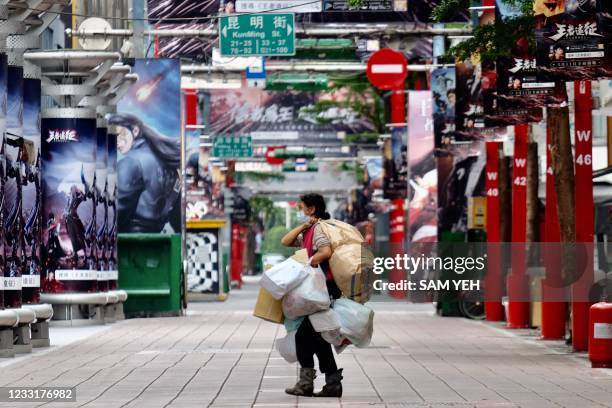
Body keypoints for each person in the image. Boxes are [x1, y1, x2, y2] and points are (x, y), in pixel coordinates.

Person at [280, 193, 343, 398]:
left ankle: (306, 383)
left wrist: (309, 263)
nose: (301, 210)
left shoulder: (320, 230)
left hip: (325, 291)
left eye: (303, 207)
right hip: (318, 290)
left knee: (304, 336)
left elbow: (325, 251)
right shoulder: (310, 230)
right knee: (319, 337)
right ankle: (332, 383)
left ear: (312, 209)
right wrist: (303, 226)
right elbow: (286, 241)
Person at [107, 113, 181, 233]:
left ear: (135, 130)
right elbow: (177, 217)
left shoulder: (131, 162)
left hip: (129, 244)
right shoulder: (170, 162)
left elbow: (117, 213)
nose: (115, 142)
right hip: (160, 243)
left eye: (118, 135)